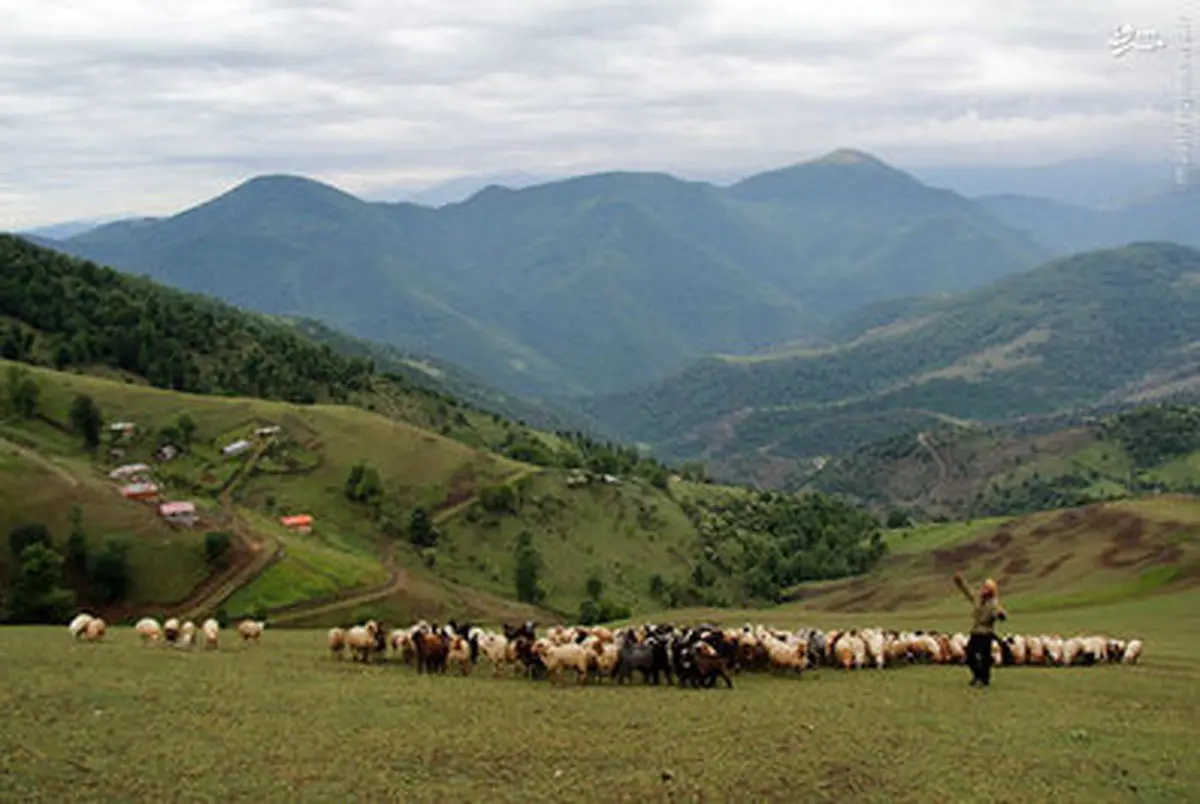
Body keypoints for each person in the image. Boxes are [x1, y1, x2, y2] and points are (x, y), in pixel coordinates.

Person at [953, 571, 1007, 687]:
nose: (984, 589)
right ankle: (978, 676)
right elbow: (968, 592)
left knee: (985, 657)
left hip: (986, 633)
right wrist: (960, 581)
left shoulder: (993, 603)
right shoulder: (978, 599)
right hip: (976, 631)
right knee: (969, 654)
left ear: (992, 591)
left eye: (987, 588)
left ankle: (983, 679)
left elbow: (999, 612)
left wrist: (1001, 615)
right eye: (984, 587)